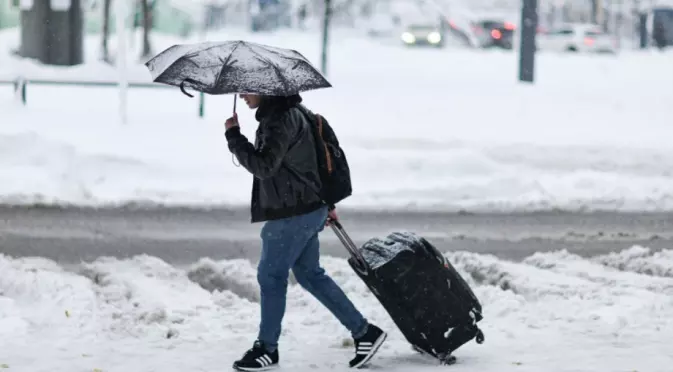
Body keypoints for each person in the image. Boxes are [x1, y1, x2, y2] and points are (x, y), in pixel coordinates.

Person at [224, 93, 387, 371]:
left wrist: (234, 137)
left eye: (247, 89)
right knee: (310, 274)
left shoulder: (279, 119)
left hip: (293, 211)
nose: (242, 95)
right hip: (308, 206)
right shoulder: (295, 111)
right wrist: (327, 203)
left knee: (271, 276)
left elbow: (264, 166)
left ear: (264, 89)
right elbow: (309, 161)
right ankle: (364, 332)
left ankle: (267, 348)